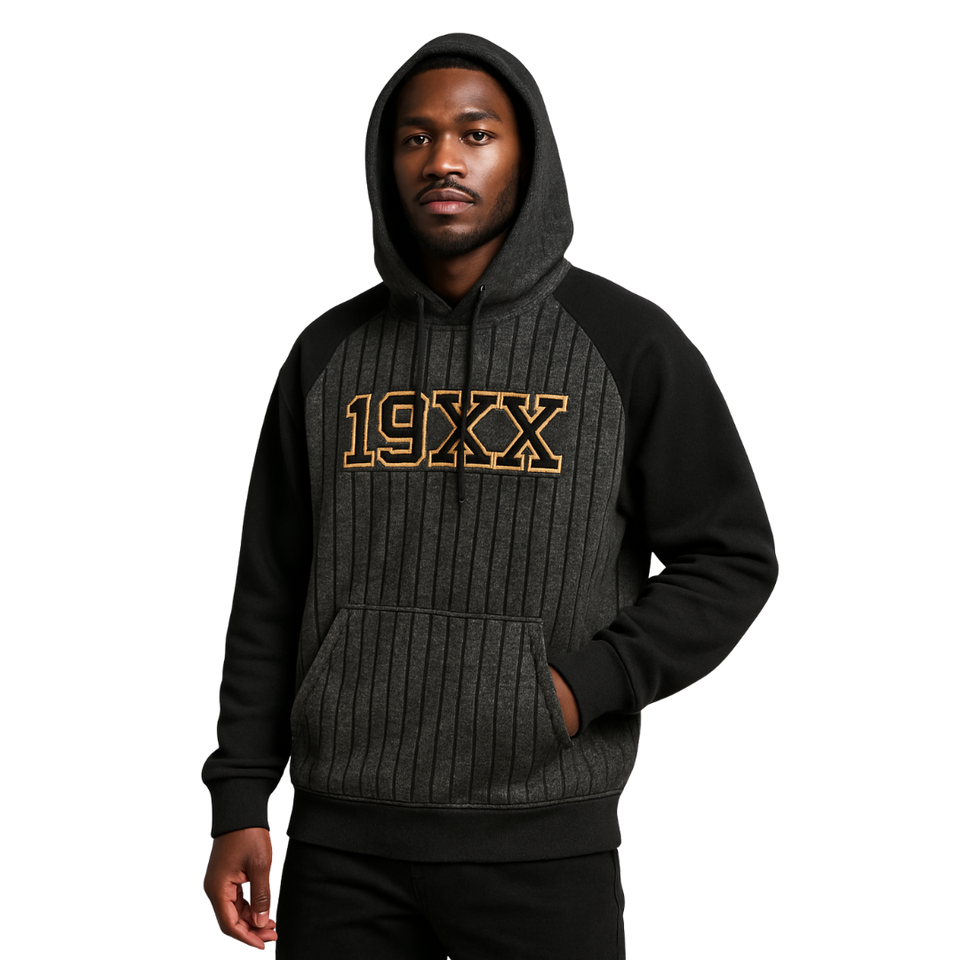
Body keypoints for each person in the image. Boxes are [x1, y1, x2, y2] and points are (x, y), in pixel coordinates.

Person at [202, 33, 777, 959]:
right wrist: (240, 795)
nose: (444, 160)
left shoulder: (627, 345)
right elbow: (270, 588)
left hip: (543, 842)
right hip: (343, 842)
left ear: (526, 157)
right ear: (386, 163)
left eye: (476, 134)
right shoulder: (327, 356)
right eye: (416, 138)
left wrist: (578, 689)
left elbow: (732, 558)